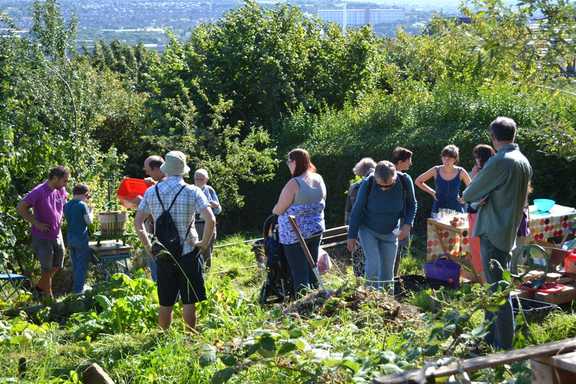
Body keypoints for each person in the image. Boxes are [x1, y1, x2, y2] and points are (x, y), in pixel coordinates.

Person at [463, 117, 532, 350]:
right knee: (496, 290)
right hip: (508, 231)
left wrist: (481, 195)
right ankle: (488, 339)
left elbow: (470, 193)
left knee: (498, 294)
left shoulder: (500, 160)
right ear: (514, 134)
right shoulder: (523, 160)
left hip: (493, 231)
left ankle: (504, 350)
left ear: (493, 137)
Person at [135, 151, 215, 331]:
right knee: (189, 300)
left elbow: (138, 222)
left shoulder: (151, 191)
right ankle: (190, 338)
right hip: (188, 251)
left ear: (165, 169)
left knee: (165, 301)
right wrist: (203, 243)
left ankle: (164, 337)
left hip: (163, 253)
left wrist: (148, 246)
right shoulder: (193, 191)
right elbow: (211, 219)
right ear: (183, 170)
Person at [347, 161, 417, 292]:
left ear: (395, 176)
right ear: (375, 178)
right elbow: (356, 210)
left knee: (387, 271)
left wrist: (407, 225)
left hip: (391, 231)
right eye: (380, 186)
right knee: (373, 264)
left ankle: (386, 302)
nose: (385, 189)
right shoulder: (367, 183)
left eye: (389, 185)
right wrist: (351, 236)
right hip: (368, 229)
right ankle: (370, 298)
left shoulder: (405, 181)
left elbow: (412, 205)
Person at [273, 148, 326, 295]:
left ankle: (303, 305)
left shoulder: (294, 183)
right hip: (315, 231)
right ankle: (316, 298)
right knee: (312, 268)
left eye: (289, 162)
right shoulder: (318, 179)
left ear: (295, 162)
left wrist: (274, 210)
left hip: (295, 235)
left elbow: (279, 209)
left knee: (299, 272)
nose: (288, 165)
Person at [16, 166, 70, 299]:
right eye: (65, 180)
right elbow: (21, 208)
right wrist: (36, 223)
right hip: (42, 236)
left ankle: (39, 288)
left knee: (58, 265)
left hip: (57, 234)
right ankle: (48, 298)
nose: (66, 183)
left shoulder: (60, 189)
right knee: (47, 268)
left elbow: (64, 203)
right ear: (55, 178)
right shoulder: (39, 191)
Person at [120, 155, 165, 281]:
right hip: (154, 229)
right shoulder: (157, 186)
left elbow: (158, 212)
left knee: (158, 262)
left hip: (161, 233)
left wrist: (141, 202)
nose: (146, 173)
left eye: (148, 170)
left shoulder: (159, 188)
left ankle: (160, 288)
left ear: (157, 168)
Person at [415, 145, 472, 216]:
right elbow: (418, 181)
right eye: (444, 156)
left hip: (456, 211)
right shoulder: (435, 170)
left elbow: (472, 187)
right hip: (438, 210)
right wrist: (432, 192)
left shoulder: (461, 171)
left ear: (455, 159)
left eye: (450, 157)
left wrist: (464, 198)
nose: (446, 159)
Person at [467, 144, 496, 283]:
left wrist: (473, 178)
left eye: (478, 157)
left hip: (480, 214)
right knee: (476, 249)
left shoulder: (487, 172)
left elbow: (476, 194)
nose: (476, 160)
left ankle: (486, 282)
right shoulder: (480, 170)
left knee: (480, 249)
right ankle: (483, 280)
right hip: (474, 212)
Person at [344, 158, 376, 278]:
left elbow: (348, 212)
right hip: (374, 227)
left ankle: (360, 283)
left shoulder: (354, 187)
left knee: (358, 258)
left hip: (358, 228)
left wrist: (349, 230)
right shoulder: (379, 183)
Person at [63, 184, 93, 294]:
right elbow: (89, 222)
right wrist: (91, 211)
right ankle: (78, 290)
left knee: (75, 265)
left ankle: (76, 288)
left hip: (70, 238)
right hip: (81, 238)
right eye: (87, 196)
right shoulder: (82, 205)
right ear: (84, 194)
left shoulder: (66, 205)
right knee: (81, 265)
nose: (87, 198)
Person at [391, 147, 414, 276]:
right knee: (396, 248)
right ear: (400, 162)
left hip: (401, 222)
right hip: (394, 222)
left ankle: (393, 277)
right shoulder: (401, 178)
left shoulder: (404, 178)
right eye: (409, 160)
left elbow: (412, 203)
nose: (411, 163)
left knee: (397, 249)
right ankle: (392, 277)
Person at [193, 168, 221, 270]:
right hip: (194, 224)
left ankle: (207, 273)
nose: (199, 181)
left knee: (208, 249)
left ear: (206, 179)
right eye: (197, 179)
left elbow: (218, 209)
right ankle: (197, 271)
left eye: (201, 179)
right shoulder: (190, 190)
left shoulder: (209, 190)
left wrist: (214, 205)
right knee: (195, 249)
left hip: (208, 223)